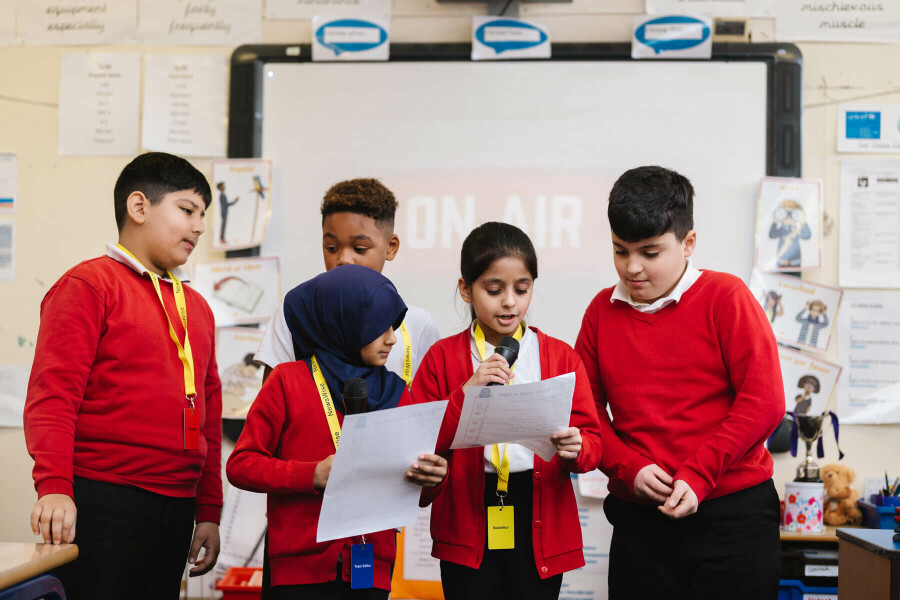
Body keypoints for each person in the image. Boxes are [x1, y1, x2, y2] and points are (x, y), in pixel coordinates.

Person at [574, 166, 785, 600]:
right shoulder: (600, 311)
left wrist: (700, 474)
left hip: (733, 517)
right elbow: (586, 412)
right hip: (641, 522)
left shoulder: (726, 297)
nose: (631, 268)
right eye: (620, 250)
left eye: (650, 253)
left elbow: (763, 401)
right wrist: (628, 468)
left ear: (688, 243)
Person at [24, 152, 222, 600]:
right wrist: (54, 486)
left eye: (203, 215)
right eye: (187, 210)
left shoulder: (199, 309)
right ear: (138, 207)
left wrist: (208, 509)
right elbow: (53, 397)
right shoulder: (89, 285)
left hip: (177, 503)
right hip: (104, 499)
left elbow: (209, 414)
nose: (199, 227)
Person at [227, 265, 447, 600]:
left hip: (370, 569)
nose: (391, 338)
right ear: (342, 322)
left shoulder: (399, 392)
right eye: (380, 326)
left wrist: (433, 479)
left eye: (394, 326)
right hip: (298, 572)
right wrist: (311, 474)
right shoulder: (288, 381)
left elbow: (416, 495)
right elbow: (241, 464)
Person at [412, 222, 603, 600]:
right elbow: (417, 440)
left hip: (539, 512)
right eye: (494, 290)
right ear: (466, 288)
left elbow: (593, 442)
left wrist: (575, 448)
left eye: (522, 288)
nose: (510, 303)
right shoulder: (443, 357)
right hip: (469, 513)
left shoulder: (561, 357)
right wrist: (466, 393)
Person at [255, 178, 439, 386]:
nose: (343, 259)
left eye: (359, 248)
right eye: (331, 247)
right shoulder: (295, 313)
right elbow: (270, 404)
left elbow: (430, 408)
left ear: (391, 247)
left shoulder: (418, 325)